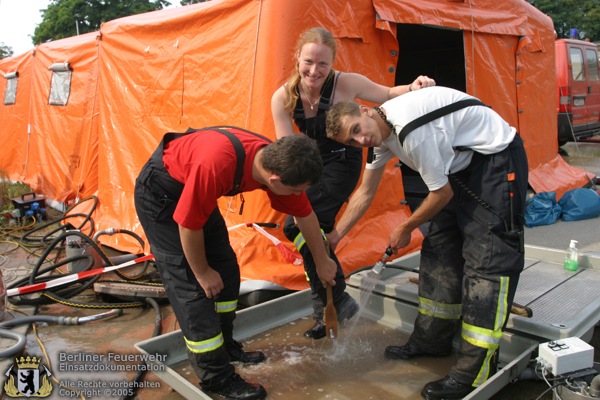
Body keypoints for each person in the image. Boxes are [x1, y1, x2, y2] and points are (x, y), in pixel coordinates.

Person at [325, 86, 529, 400]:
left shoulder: (411, 130)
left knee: (487, 261)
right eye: (351, 141)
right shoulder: (383, 135)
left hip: (495, 161)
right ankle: (432, 341)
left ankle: (474, 373)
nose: (360, 141)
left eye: (357, 130)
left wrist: (406, 226)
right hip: (460, 166)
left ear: (365, 110)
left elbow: (441, 193)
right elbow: (364, 193)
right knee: (440, 250)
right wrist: (335, 236)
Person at [134, 127, 338, 400]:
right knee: (192, 288)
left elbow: (305, 215)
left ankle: (225, 346)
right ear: (274, 181)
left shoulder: (280, 161)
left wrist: (323, 260)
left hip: (193, 188)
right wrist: (203, 272)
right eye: (296, 190)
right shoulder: (216, 165)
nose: (299, 194)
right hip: (161, 195)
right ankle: (215, 377)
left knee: (227, 270)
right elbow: (188, 225)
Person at [271, 26, 435, 339]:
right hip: (308, 164)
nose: (315, 70)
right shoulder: (282, 97)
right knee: (308, 228)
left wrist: (415, 86)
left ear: (332, 62)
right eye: (309, 62)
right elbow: (287, 151)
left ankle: (334, 300)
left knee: (299, 226)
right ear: (297, 59)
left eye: (323, 64)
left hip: (342, 163)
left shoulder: (346, 83)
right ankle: (331, 306)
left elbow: (386, 94)